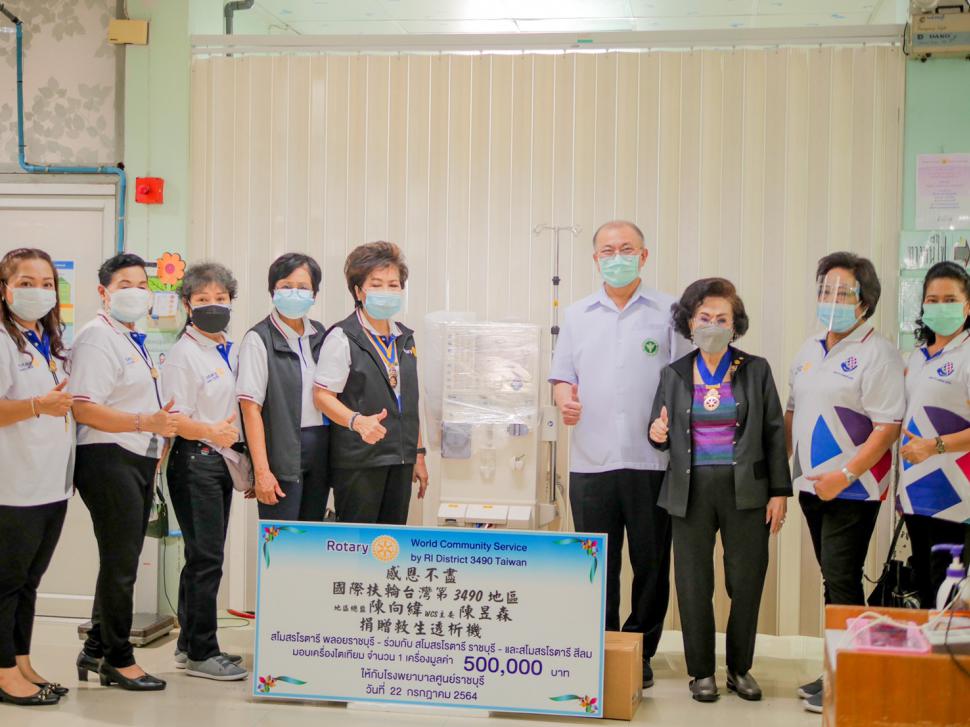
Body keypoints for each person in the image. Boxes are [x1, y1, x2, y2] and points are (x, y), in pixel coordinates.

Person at [549, 220, 691, 689]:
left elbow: (686, 377)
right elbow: (561, 377)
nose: (617, 257)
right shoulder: (577, 314)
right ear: (595, 259)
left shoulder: (670, 311)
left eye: (626, 249)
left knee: (651, 563)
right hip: (591, 460)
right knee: (596, 562)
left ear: (643, 256)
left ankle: (639, 650)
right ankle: (601, 646)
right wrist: (564, 400)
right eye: (607, 251)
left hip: (652, 460)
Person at [648, 278, 791, 703]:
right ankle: (701, 672)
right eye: (704, 317)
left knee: (746, 582)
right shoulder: (674, 373)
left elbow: (773, 432)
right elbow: (657, 429)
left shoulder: (755, 369)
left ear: (735, 325)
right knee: (693, 584)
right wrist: (656, 433)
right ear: (690, 323)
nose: (713, 325)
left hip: (746, 490)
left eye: (722, 318)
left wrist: (779, 492)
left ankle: (740, 668)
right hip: (689, 491)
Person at [786, 251, 903, 713]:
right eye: (825, 290)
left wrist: (846, 474)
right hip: (812, 487)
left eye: (842, 292)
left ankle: (851, 677)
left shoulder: (878, 353)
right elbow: (792, 410)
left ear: (865, 301)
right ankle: (836, 666)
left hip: (855, 488)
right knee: (832, 580)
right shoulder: (809, 348)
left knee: (842, 578)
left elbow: (887, 427)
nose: (831, 299)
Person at [69, 253, 177, 691]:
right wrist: (143, 422)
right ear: (104, 292)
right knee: (122, 564)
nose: (136, 293)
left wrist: (154, 437)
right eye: (125, 285)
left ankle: (95, 647)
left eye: (142, 285)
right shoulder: (97, 337)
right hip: (107, 456)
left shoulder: (131, 336)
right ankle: (119, 658)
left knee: (121, 558)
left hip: (135, 455)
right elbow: (84, 408)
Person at [161, 263, 247, 681]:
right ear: (186, 304)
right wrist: (213, 432)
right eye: (202, 299)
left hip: (218, 461)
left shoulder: (224, 348)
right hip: (195, 460)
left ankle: (187, 643)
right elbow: (174, 420)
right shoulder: (184, 355)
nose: (213, 305)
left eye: (220, 298)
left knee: (202, 556)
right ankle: (202, 652)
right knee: (207, 559)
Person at [0, 248, 74, 706]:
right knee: (6, 584)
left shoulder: (48, 340)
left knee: (29, 581)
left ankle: (21, 661)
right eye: (25, 283)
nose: (38, 291)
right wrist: (36, 406)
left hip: (50, 485)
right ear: (5, 289)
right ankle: (4, 673)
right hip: (13, 486)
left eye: (46, 283)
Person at [313, 241, 428, 524]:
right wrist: (357, 421)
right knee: (359, 543)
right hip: (360, 460)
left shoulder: (404, 338)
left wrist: (417, 453)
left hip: (400, 460)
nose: (386, 292)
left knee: (392, 541)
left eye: (393, 285)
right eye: (376, 285)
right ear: (358, 291)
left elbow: (407, 401)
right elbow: (322, 396)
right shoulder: (342, 337)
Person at [898, 261, 970, 606]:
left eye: (950, 300)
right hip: (916, 495)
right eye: (933, 300)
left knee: (950, 600)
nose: (941, 307)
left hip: (956, 498)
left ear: (967, 306)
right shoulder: (917, 358)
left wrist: (936, 446)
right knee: (926, 593)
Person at [237, 253, 329, 521]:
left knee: (312, 536)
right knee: (281, 539)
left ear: (314, 294)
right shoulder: (258, 339)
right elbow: (250, 409)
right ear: (273, 291)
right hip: (281, 452)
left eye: (303, 287)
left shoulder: (321, 334)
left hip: (320, 450)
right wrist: (262, 471)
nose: (295, 293)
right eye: (286, 286)